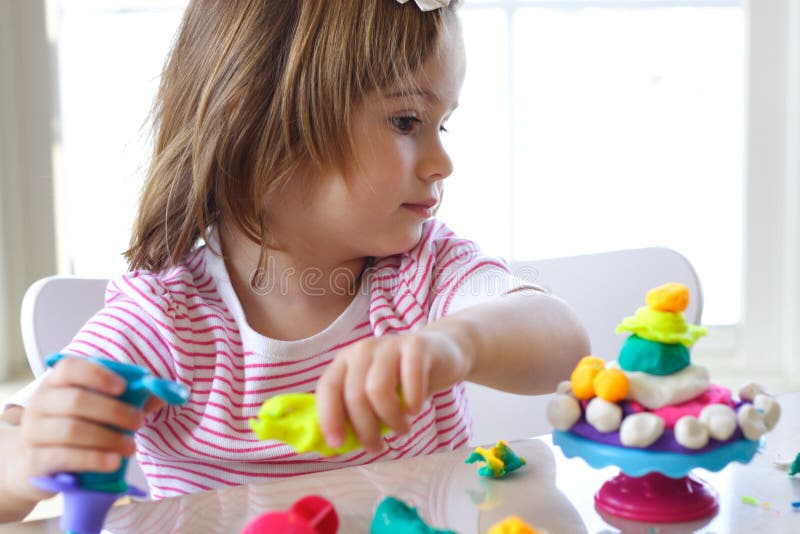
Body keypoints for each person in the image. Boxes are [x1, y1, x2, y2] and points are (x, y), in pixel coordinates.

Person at [0, 0, 589, 521]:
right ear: (256, 123)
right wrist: (29, 456)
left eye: (444, 124)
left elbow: (562, 340)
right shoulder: (168, 318)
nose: (442, 161)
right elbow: (20, 443)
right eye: (407, 121)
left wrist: (456, 344)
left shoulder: (426, 275)